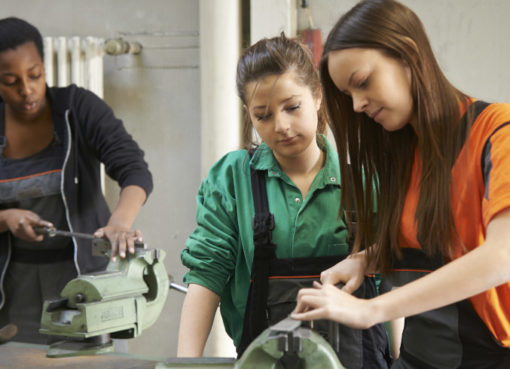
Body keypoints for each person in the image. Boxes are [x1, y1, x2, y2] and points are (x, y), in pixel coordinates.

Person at [291, 0, 510, 368]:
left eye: (362, 83)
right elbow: (435, 245)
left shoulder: (497, 131)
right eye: (348, 96)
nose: (358, 105)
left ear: (408, 55)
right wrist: (368, 258)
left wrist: (370, 310)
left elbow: (501, 257)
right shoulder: (406, 155)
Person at [178, 33, 390, 368]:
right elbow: (207, 273)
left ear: (317, 96)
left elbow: (395, 268)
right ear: (249, 113)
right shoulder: (232, 180)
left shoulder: (364, 180)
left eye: (292, 107)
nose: (282, 126)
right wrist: (184, 363)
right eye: (263, 115)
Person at [0, 17, 153, 344]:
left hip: (82, 282)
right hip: (11, 289)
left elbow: (134, 170)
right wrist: (4, 219)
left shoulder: (78, 109)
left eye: (35, 75)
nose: (26, 90)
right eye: (10, 81)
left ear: (44, 66)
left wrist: (120, 224)